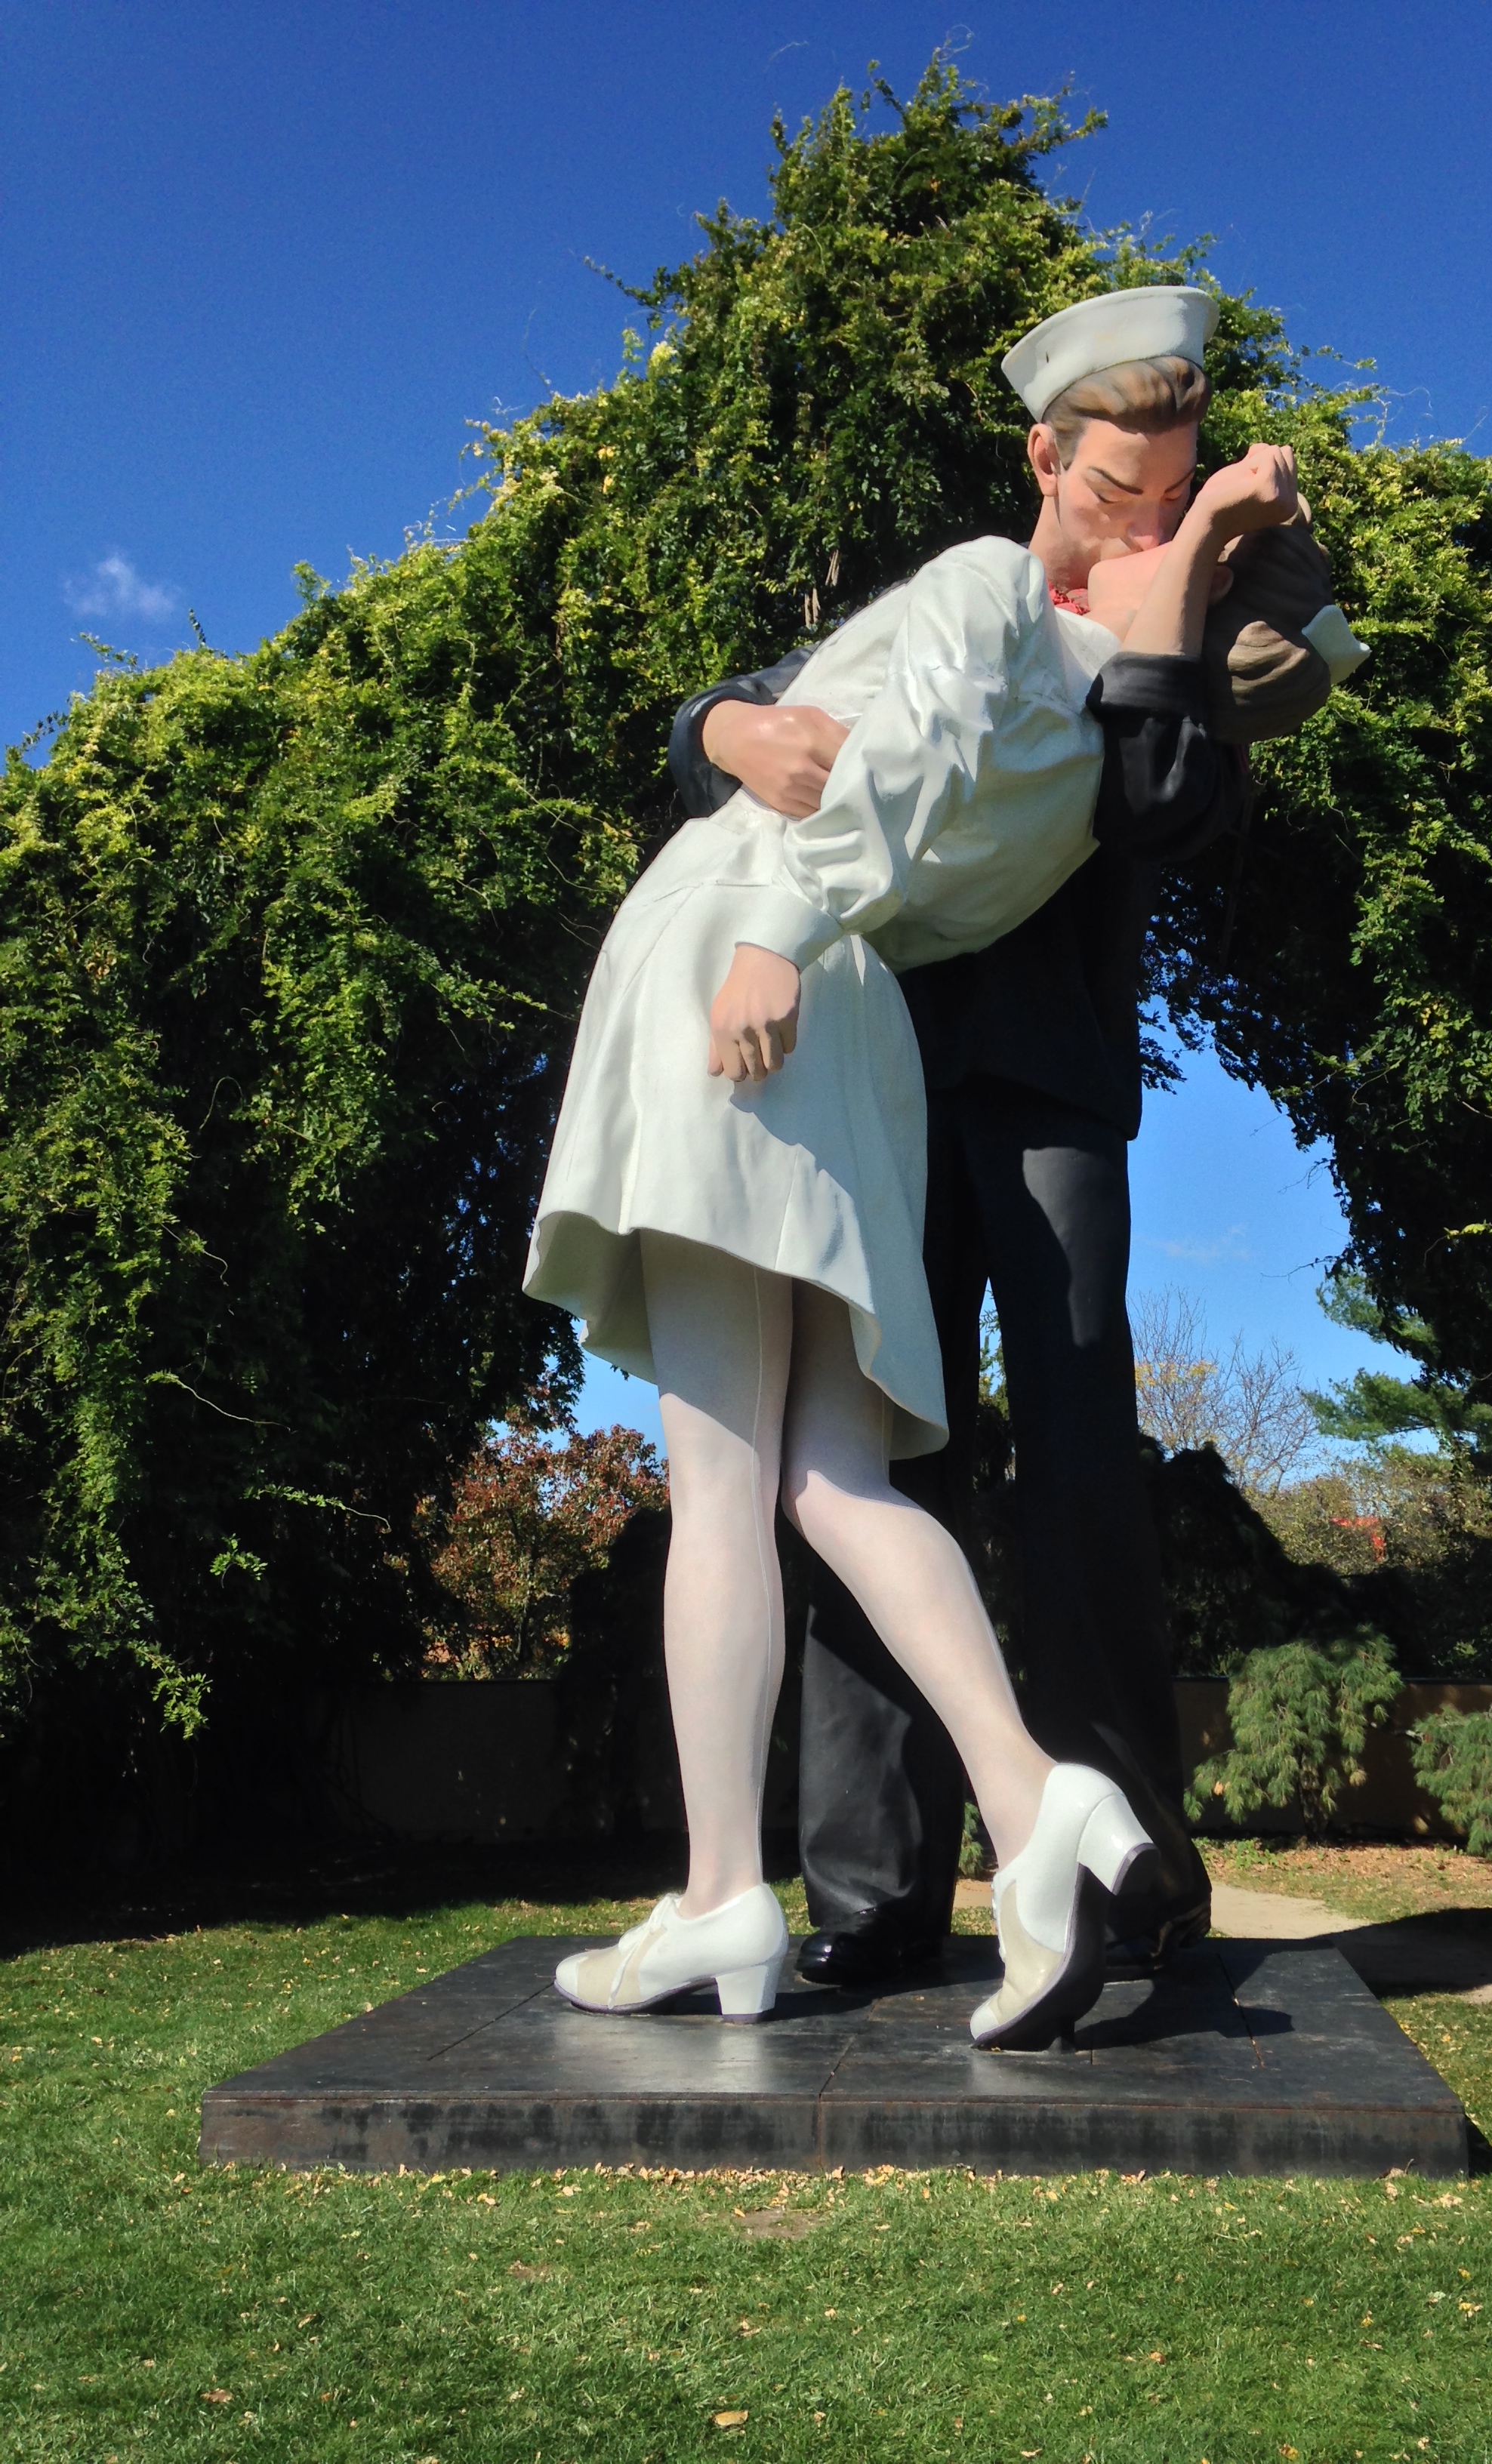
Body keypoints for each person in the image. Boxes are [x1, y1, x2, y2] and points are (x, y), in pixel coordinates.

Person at [525, 283, 1299, 2050]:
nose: (1144, 519)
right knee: (851, 1466)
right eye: (1117, 489)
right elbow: (809, 723)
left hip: (913, 1033)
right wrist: (720, 728)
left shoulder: (1142, 657)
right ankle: (906, 1874)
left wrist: (1202, 568)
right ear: (1046, 457)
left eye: (1174, 492)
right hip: (858, 1039)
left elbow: (1138, 790)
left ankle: (1041, 1856)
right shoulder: (987, 598)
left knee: (986, 1454)